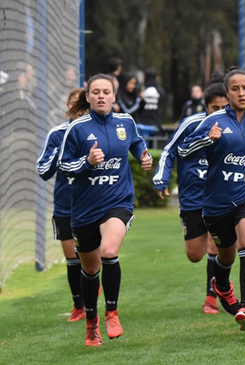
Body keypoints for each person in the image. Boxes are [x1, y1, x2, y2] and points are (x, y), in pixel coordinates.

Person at [178, 66, 245, 331]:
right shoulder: (213, 121)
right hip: (217, 203)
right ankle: (221, 286)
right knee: (226, 255)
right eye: (235, 89)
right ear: (227, 93)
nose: (241, 93)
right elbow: (183, 149)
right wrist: (205, 140)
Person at [57, 73, 152, 346]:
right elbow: (64, 167)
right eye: (95, 92)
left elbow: (137, 145)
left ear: (113, 96)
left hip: (118, 202)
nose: (101, 96)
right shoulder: (76, 129)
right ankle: (91, 323)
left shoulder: (126, 122)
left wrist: (144, 158)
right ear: (87, 97)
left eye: (106, 91)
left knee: (109, 252)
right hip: (85, 210)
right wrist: (87, 161)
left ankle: (112, 313)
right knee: (89, 269)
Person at [153, 71, 228, 314]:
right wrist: (162, 178)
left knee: (216, 247)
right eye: (214, 107)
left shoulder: (236, 123)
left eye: (223, 107)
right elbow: (171, 151)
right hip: (193, 197)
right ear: (205, 106)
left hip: (221, 196)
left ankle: (211, 296)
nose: (219, 112)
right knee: (194, 254)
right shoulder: (192, 124)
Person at [37, 87, 86, 322]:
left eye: (82, 105)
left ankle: (93, 288)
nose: (78, 110)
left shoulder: (96, 132)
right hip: (65, 206)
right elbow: (43, 171)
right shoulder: (57, 134)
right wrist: (60, 155)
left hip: (93, 206)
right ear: (68, 107)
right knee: (72, 258)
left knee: (93, 256)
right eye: (74, 105)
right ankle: (78, 304)